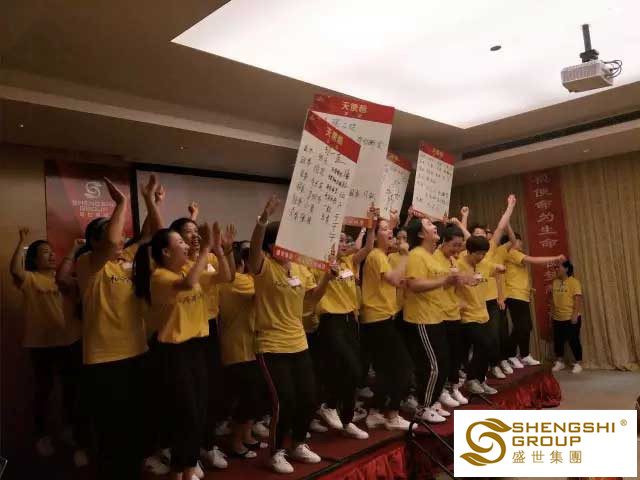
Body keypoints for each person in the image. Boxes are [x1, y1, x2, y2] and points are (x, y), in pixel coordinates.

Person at [75, 176, 161, 480]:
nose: (121, 240)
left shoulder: (127, 260)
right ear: (94, 241)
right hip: (105, 358)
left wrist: (150, 199)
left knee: (137, 419)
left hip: (137, 351)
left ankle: (134, 466)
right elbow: (112, 242)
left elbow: (154, 235)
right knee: (112, 426)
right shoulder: (87, 264)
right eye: (113, 234)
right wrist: (123, 202)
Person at [133, 219, 230, 480]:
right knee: (185, 413)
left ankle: (187, 468)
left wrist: (219, 250)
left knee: (198, 410)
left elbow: (225, 277)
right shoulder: (160, 276)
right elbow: (188, 284)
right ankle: (180, 469)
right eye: (180, 242)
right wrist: (206, 247)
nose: (186, 245)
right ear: (166, 252)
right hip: (173, 352)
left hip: (197, 347)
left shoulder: (188, 269)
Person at [247, 196, 335, 474]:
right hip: (271, 345)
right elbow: (253, 250)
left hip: (298, 342)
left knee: (309, 397)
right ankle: (275, 452)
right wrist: (262, 220)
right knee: (285, 401)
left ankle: (298, 443)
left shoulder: (299, 268)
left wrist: (327, 277)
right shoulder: (264, 267)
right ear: (272, 247)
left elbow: (312, 298)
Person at [9, 228, 86, 465]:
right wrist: (21, 241)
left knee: (72, 389)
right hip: (41, 345)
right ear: (34, 259)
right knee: (44, 390)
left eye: (52, 252)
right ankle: (42, 435)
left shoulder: (65, 278)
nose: (51, 255)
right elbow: (16, 270)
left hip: (69, 342)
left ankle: (70, 431)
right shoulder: (31, 279)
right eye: (45, 252)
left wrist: (74, 249)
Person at [169, 215, 236, 470]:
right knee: (187, 400)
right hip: (182, 333)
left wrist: (222, 249)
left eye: (196, 231)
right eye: (188, 232)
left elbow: (228, 276)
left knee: (210, 391)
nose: (195, 235)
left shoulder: (207, 259)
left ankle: (207, 445)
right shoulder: (177, 266)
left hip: (208, 327)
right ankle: (189, 456)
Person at [314, 219, 376, 439]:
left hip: (351, 320)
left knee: (355, 372)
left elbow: (368, 247)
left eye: (344, 240)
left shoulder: (349, 261)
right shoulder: (319, 263)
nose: (343, 244)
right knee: (347, 367)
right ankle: (329, 405)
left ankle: (347, 419)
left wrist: (371, 225)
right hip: (331, 320)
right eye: (337, 240)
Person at [404, 218, 464, 422]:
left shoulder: (430, 256)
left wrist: (455, 281)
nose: (434, 227)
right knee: (433, 366)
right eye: (429, 225)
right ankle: (423, 407)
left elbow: (439, 284)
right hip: (422, 318)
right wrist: (444, 280)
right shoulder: (416, 255)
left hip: (436, 316)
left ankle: (432, 402)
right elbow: (414, 285)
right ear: (421, 234)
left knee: (444, 364)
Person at [360, 218, 413, 431]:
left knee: (385, 370)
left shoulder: (382, 255)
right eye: (384, 229)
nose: (390, 232)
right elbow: (393, 279)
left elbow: (395, 282)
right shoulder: (376, 255)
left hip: (380, 319)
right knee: (403, 366)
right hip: (378, 319)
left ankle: (375, 412)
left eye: (390, 228)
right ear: (374, 236)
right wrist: (406, 255)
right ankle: (392, 414)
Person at [218, 244, 270, 457]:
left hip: (250, 346)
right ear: (245, 261)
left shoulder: (246, 279)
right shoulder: (239, 280)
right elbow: (266, 292)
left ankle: (247, 436)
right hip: (238, 348)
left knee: (253, 396)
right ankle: (236, 442)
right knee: (246, 397)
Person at [500, 229, 566, 368]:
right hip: (514, 295)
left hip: (522, 295)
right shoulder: (511, 253)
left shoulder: (516, 255)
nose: (520, 243)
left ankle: (524, 355)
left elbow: (516, 275)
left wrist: (529, 289)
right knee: (521, 327)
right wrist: (555, 258)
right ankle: (510, 355)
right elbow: (534, 260)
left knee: (526, 327)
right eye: (518, 241)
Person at [456, 235, 506, 395]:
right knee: (483, 344)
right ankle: (471, 379)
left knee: (490, 346)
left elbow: (495, 268)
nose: (481, 257)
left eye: (484, 253)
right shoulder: (458, 265)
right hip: (467, 315)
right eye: (478, 253)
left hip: (483, 312)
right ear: (469, 251)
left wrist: (500, 268)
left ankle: (479, 379)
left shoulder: (483, 264)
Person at [432, 224, 469, 407]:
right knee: (443, 357)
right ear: (444, 241)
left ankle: (453, 386)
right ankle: (441, 391)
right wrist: (451, 281)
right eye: (454, 245)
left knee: (456, 354)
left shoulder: (453, 260)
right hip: (439, 314)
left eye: (459, 246)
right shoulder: (433, 258)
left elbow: (455, 284)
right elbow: (435, 284)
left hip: (454, 312)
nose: (457, 249)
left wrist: (466, 281)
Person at [551, 260, 584, 374]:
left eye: (559, 267)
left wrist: (575, 315)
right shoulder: (555, 282)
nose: (557, 269)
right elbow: (553, 299)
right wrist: (552, 313)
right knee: (558, 341)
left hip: (570, 317)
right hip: (557, 317)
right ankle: (560, 362)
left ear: (566, 269)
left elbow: (578, 299)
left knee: (573, 340)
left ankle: (578, 363)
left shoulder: (574, 282)